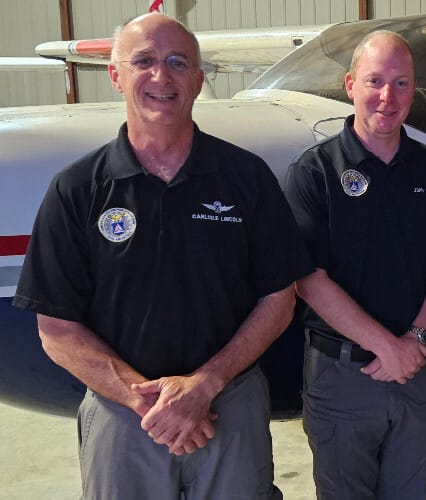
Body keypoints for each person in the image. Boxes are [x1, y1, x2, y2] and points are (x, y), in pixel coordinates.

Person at [12, 13, 312, 500]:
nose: (161, 75)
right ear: (115, 75)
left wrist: (204, 386)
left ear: (197, 79)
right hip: (124, 415)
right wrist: (148, 403)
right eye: (143, 61)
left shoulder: (246, 177)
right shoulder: (77, 189)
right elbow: (57, 329)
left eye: (178, 62)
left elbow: (280, 298)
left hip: (228, 403)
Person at [283, 30, 426, 500]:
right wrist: (387, 347)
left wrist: (415, 341)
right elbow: (309, 280)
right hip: (342, 377)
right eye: (375, 81)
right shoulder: (314, 172)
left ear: (414, 90)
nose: (388, 96)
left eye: (401, 84)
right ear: (350, 86)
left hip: (414, 370)